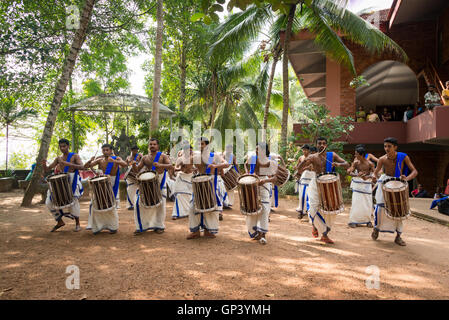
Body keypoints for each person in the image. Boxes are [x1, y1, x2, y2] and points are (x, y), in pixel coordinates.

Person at [296, 137, 349, 244]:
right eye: (319, 143)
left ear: (326, 145)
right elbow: (299, 168)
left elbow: (347, 164)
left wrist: (339, 164)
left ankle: (324, 235)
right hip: (315, 184)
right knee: (313, 207)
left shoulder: (332, 155)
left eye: (324, 143)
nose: (322, 145)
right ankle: (315, 226)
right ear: (316, 144)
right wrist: (304, 162)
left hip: (329, 184)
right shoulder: (313, 157)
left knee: (330, 210)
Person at [371, 137, 418, 246]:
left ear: (395, 147)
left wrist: (406, 178)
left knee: (399, 210)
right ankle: (376, 228)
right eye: (385, 146)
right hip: (385, 183)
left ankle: (398, 236)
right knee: (379, 209)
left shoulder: (403, 157)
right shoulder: (382, 159)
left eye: (389, 146)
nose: (386, 148)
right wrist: (374, 177)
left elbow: (415, 171)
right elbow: (376, 172)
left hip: (398, 184)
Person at [187, 137, 229, 239]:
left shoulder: (214, 156)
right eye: (198, 144)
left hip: (211, 184)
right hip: (198, 184)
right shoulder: (195, 157)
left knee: (211, 208)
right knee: (193, 207)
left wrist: (216, 167)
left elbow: (226, 164)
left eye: (202, 144)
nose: (200, 146)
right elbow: (187, 166)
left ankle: (208, 230)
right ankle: (195, 231)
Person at [131, 138, 173, 235]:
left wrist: (160, 165)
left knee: (160, 206)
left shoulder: (163, 156)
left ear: (158, 146)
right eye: (150, 144)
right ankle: (141, 227)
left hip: (160, 182)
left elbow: (171, 166)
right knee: (138, 203)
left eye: (154, 144)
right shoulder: (145, 157)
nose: (152, 146)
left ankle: (159, 226)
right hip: (148, 184)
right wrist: (133, 165)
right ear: (148, 146)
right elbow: (137, 170)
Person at [84, 144, 127, 234]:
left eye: (107, 150)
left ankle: (113, 227)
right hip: (102, 184)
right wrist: (89, 161)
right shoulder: (100, 160)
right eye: (103, 150)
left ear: (111, 150)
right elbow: (86, 166)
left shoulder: (116, 158)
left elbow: (125, 164)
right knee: (94, 203)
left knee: (111, 204)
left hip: (112, 183)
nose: (105, 152)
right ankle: (97, 227)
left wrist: (116, 162)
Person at [43, 139, 84, 232]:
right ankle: (59, 221)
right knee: (49, 202)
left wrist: (67, 163)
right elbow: (48, 169)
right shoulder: (58, 158)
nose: (62, 148)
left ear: (68, 146)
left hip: (72, 181)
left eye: (64, 146)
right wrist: (44, 165)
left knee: (73, 201)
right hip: (61, 182)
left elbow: (82, 167)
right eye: (60, 146)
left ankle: (78, 223)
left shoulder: (75, 156)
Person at [244, 142, 278, 245]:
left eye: (259, 149)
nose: (257, 151)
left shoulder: (270, 162)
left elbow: (275, 178)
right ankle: (256, 231)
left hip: (264, 184)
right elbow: (246, 164)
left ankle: (263, 234)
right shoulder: (252, 158)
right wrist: (248, 173)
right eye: (256, 149)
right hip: (252, 183)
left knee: (264, 209)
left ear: (264, 150)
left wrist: (265, 181)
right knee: (252, 207)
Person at [347, 146, 374, 228]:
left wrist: (367, 177)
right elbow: (349, 172)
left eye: (356, 154)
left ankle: (368, 221)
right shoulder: (356, 163)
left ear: (362, 155)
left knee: (367, 203)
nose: (355, 156)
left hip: (366, 185)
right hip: (358, 185)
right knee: (356, 203)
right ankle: (353, 221)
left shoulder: (370, 164)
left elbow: (374, 174)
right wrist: (356, 175)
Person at [171, 142, 194, 220]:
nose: (189, 152)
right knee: (180, 195)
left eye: (190, 150)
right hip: (181, 177)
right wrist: (181, 169)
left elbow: (198, 169)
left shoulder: (194, 159)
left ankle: (188, 212)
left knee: (190, 195)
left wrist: (193, 169)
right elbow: (174, 168)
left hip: (191, 177)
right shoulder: (180, 159)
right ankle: (176, 213)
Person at [294, 144, 313, 219]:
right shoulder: (301, 158)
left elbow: (313, 167)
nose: (304, 151)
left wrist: (306, 168)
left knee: (308, 196)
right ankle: (301, 211)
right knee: (301, 196)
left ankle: (308, 211)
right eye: (303, 150)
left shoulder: (312, 157)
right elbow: (298, 167)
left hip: (310, 178)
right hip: (302, 178)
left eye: (306, 149)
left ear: (309, 150)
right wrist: (297, 172)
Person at [125, 146, 143, 210]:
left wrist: (141, 158)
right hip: (130, 177)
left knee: (138, 190)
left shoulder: (140, 156)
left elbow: (143, 163)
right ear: (131, 150)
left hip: (137, 176)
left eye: (137, 150)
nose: (136, 151)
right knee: (130, 190)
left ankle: (137, 203)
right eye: (134, 150)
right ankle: (130, 205)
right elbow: (127, 164)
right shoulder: (128, 157)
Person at [222, 144, 239, 208]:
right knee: (226, 189)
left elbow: (236, 164)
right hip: (224, 172)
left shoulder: (230, 155)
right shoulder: (225, 155)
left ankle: (227, 203)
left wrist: (238, 173)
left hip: (226, 172)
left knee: (229, 189)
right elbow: (236, 165)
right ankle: (227, 203)